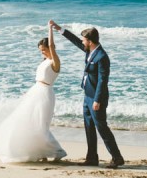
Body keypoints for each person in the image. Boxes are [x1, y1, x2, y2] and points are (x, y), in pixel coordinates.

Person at [0, 22, 67, 163]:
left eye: (43, 49)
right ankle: (41, 153)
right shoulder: (44, 61)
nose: (42, 52)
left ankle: (58, 151)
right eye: (40, 50)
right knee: (31, 123)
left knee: (41, 125)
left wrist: (50, 29)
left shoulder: (55, 61)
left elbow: (52, 46)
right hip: (35, 93)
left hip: (45, 95)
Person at [49, 20, 125, 169]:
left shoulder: (102, 57)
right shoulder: (90, 50)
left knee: (101, 127)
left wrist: (97, 100)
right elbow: (76, 41)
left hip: (97, 98)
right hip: (87, 95)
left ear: (90, 41)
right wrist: (59, 29)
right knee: (89, 126)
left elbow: (103, 81)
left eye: (84, 40)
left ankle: (117, 157)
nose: (82, 42)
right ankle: (92, 158)